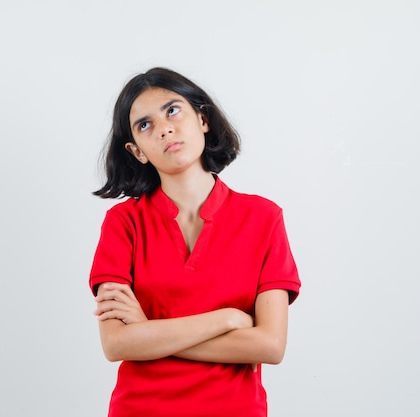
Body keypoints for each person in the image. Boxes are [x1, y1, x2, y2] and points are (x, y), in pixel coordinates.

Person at [89, 67, 301, 417]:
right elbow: (116, 343)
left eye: (173, 110)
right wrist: (229, 319)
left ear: (202, 119)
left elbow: (270, 345)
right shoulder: (122, 223)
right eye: (145, 125)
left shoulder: (264, 218)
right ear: (137, 151)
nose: (164, 128)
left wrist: (148, 334)